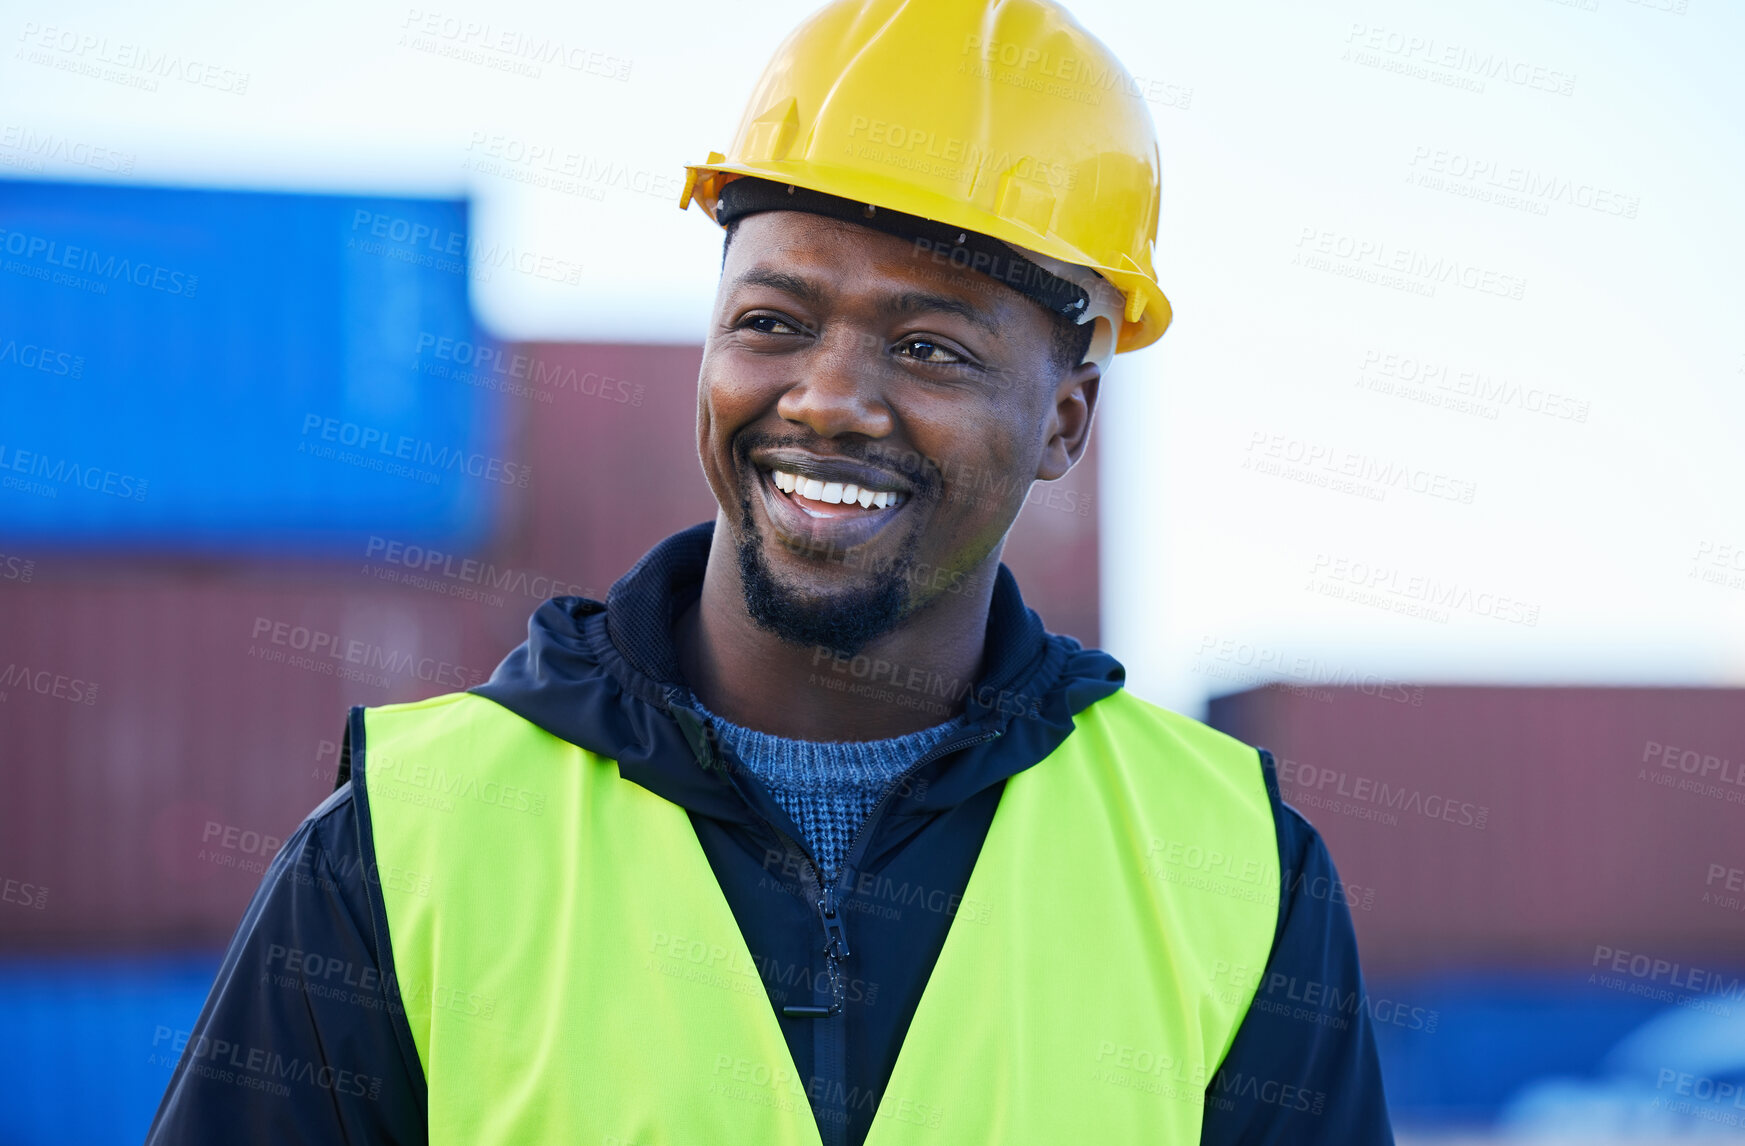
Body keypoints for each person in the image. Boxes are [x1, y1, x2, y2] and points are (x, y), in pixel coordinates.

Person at [147, 1, 1395, 1142]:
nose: (828, 400)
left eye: (928, 346)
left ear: (1066, 419)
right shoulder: (407, 844)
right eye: (771, 323)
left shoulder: (1232, 872)